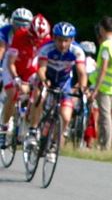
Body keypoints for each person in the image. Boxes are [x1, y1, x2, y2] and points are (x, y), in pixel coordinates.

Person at [32, 22, 88, 160]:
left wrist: (82, 88)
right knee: (40, 96)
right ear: (54, 38)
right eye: (59, 40)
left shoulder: (77, 51)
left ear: (72, 40)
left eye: (66, 40)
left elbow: (82, 73)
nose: (63, 44)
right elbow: (41, 69)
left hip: (64, 82)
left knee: (66, 116)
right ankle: (33, 130)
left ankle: (54, 144)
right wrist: (44, 80)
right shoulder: (46, 48)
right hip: (47, 78)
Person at [0, 14, 50, 150]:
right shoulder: (20, 36)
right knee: (13, 94)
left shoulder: (48, 41)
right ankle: (3, 128)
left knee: (40, 95)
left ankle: (32, 128)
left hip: (31, 69)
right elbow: (10, 63)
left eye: (40, 39)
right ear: (29, 32)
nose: (37, 42)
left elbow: (43, 66)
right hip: (14, 66)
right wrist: (16, 78)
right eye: (34, 38)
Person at [89, 16, 112, 150]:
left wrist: (96, 89)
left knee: (105, 117)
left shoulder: (106, 46)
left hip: (106, 88)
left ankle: (105, 146)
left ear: (102, 29)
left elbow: (103, 68)